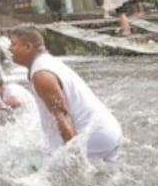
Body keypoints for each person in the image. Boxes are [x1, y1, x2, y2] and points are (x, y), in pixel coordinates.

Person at [7, 25, 122, 162]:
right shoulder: (46, 63)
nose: (9, 48)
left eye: (14, 44)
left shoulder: (41, 75)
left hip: (94, 137)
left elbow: (62, 117)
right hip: (105, 131)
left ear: (28, 47)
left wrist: (76, 162)